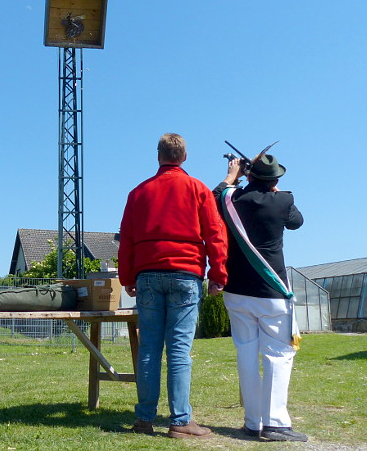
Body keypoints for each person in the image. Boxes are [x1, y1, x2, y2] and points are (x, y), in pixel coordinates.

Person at [118, 133, 228, 439]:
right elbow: (215, 234)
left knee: (149, 350)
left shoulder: (138, 193)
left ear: (158, 156)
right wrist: (218, 273)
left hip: (148, 275)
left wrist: (127, 278)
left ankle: (144, 420)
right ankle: (180, 421)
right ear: (184, 157)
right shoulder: (198, 189)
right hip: (185, 273)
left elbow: (125, 239)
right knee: (179, 350)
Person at [211, 153, 307, 442]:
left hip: (237, 290)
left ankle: (253, 422)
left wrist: (232, 176)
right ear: (276, 179)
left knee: (246, 355)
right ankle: (275, 422)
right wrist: (272, 189)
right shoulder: (283, 200)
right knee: (279, 355)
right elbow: (297, 222)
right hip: (272, 291)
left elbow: (216, 196)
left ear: (249, 175)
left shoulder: (233, 200)